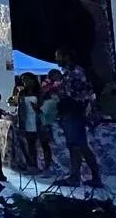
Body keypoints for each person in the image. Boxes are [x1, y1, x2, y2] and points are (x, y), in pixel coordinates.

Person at [53, 49, 102, 189]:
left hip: (74, 112)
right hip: (71, 112)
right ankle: (78, 176)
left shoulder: (76, 72)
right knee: (75, 145)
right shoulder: (69, 72)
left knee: (79, 145)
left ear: (67, 56)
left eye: (58, 56)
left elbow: (78, 94)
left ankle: (85, 177)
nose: (56, 60)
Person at [13, 72, 44, 172]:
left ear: (32, 79)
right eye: (23, 80)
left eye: (26, 79)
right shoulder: (22, 92)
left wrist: (38, 108)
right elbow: (18, 107)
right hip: (26, 120)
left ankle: (41, 165)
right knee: (28, 143)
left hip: (37, 119)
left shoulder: (39, 92)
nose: (25, 82)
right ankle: (31, 164)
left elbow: (43, 106)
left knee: (40, 144)